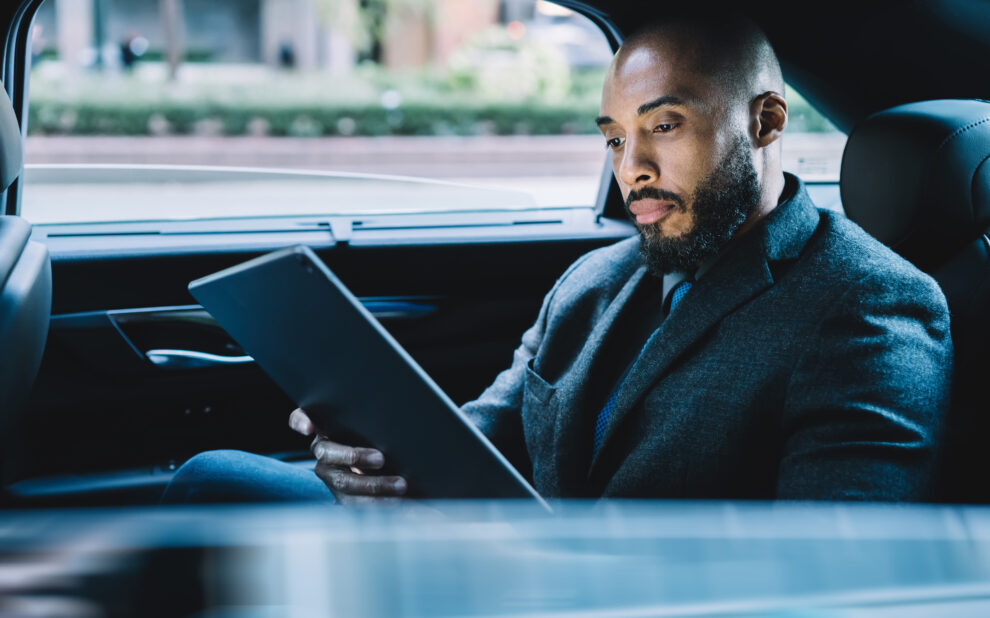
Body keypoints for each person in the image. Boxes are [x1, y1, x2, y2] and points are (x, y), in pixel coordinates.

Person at [162, 14, 952, 504]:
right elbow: (479, 446)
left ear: (767, 121)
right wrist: (376, 471)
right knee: (211, 478)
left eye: (664, 126)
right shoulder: (594, 281)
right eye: (613, 137)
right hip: (486, 561)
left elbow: (838, 580)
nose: (630, 166)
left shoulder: (871, 309)